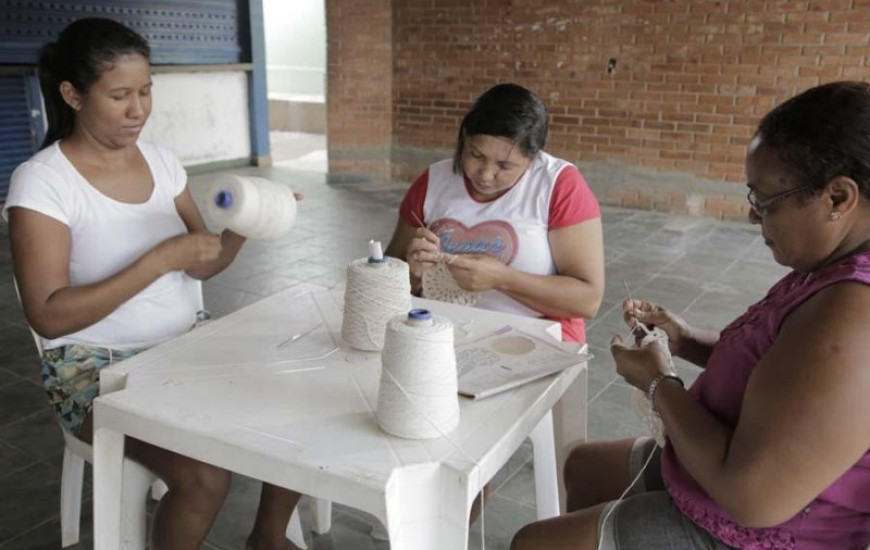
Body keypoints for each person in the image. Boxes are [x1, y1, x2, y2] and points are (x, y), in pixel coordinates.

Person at [511, 81, 870, 550]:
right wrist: (687, 340)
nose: (752, 217)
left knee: (531, 544)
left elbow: (751, 497)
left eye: (764, 202)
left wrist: (659, 382)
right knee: (582, 468)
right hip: (734, 459)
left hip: (764, 525)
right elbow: (785, 370)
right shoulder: (826, 270)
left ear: (838, 199)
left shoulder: (852, 316)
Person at [3, 18, 302, 550]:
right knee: (204, 476)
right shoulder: (44, 181)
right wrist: (159, 259)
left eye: (145, 91)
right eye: (119, 95)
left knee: (298, 402)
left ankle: (269, 537)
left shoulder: (163, 163)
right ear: (71, 94)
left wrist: (248, 223)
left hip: (187, 344)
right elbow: (47, 314)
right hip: (95, 369)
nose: (138, 109)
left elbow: (200, 263)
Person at [385, 83, 605, 344]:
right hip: (442, 330)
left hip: (536, 336)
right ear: (463, 140)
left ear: (533, 158)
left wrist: (503, 279)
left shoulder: (558, 185)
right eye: (475, 155)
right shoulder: (434, 180)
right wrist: (413, 271)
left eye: (505, 165)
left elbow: (588, 300)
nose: (486, 175)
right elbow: (387, 280)